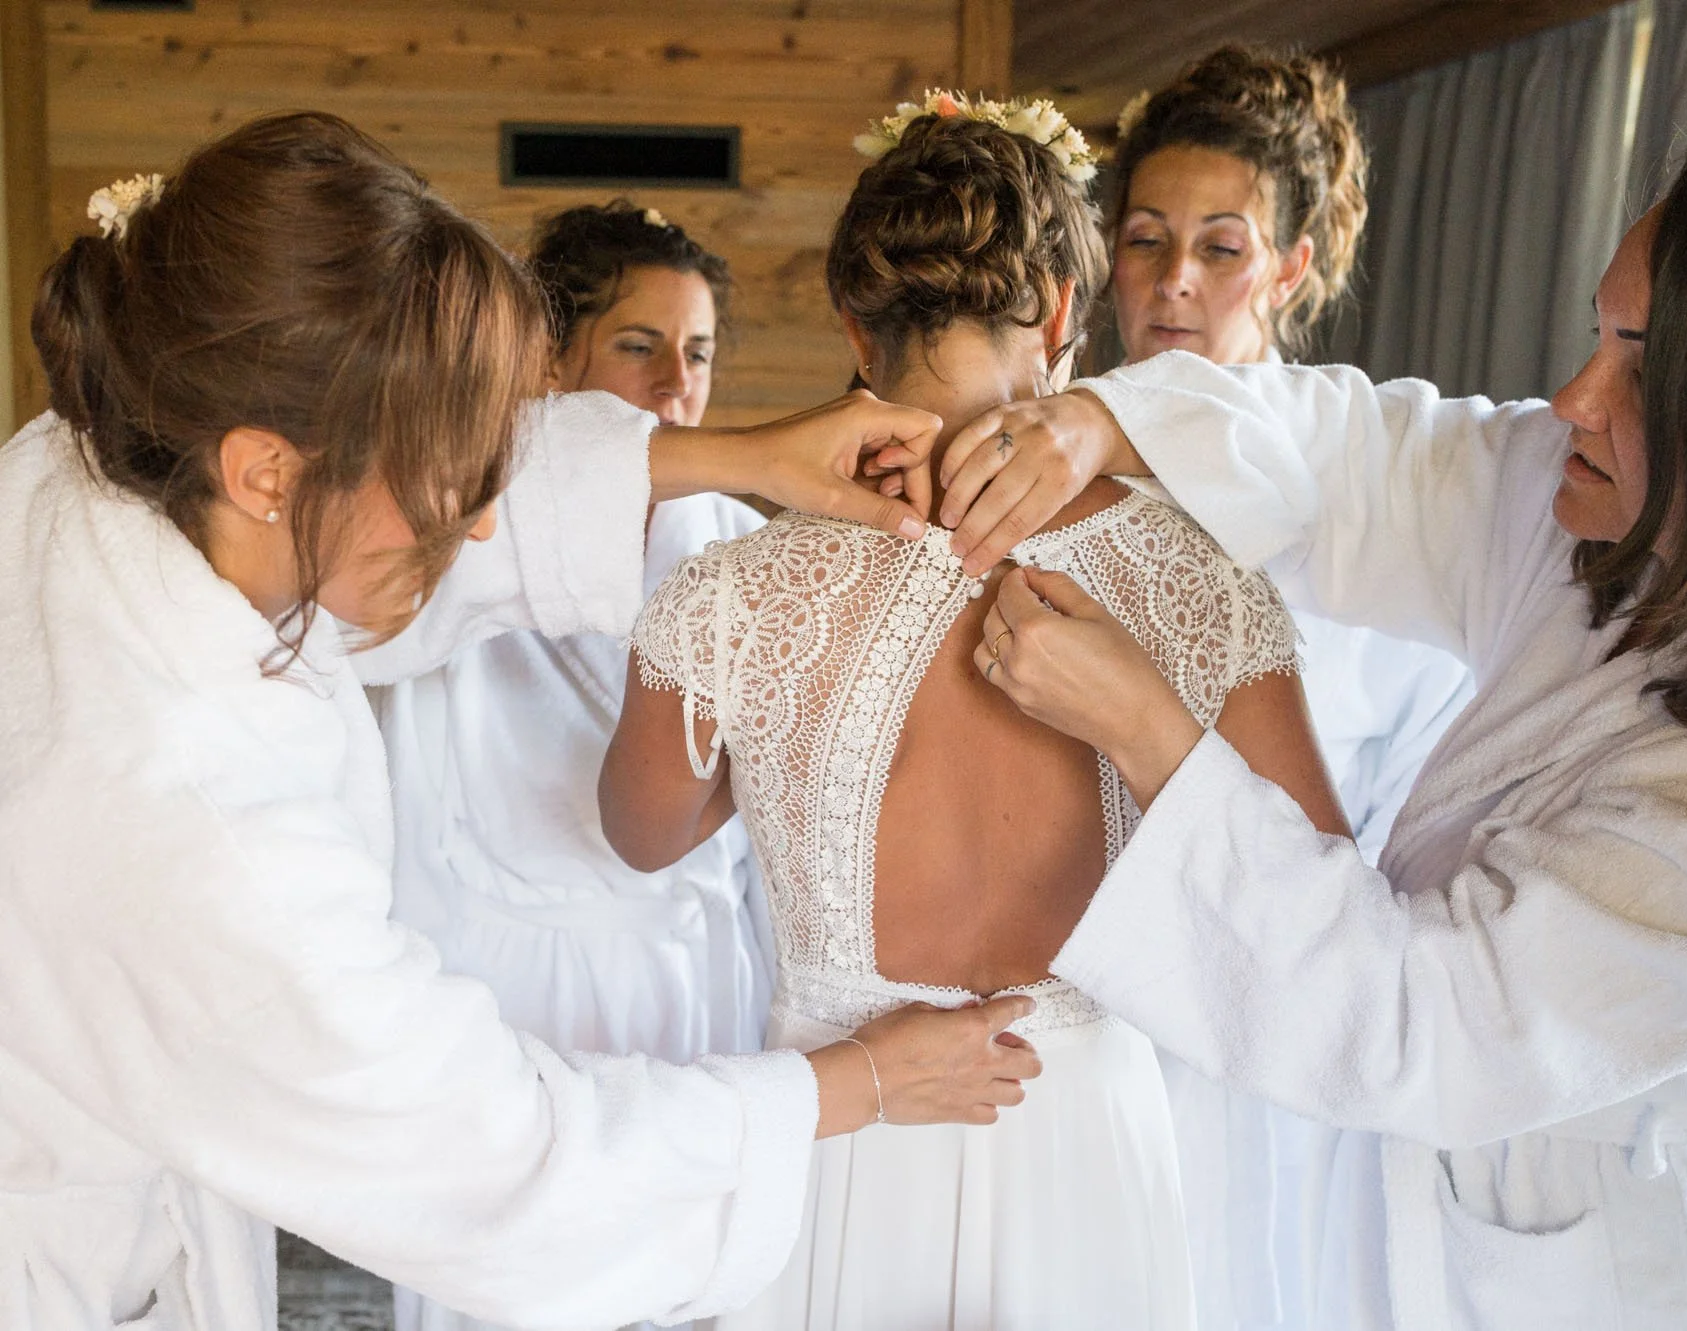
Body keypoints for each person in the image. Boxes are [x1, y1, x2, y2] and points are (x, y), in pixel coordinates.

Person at [0, 111, 1040, 1331]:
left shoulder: (104, 451)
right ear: (266, 471)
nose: (484, 522)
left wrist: (743, 458)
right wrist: (848, 1083)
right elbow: (492, 1163)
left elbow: (429, 482)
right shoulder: (185, 824)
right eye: (449, 476)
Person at [942, 133, 1687, 1327]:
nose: (1572, 399)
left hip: (1666, 1276)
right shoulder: (1610, 517)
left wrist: (1146, 727)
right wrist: (1101, 422)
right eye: (1597, 334)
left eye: (1641, 362)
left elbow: (1422, 1018)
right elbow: (1364, 458)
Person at [598, 93, 1343, 1330]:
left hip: (845, 1131)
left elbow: (642, 832)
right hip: (1083, 1138)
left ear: (854, 323)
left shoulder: (734, 592)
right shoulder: (1198, 574)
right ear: (1059, 311)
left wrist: (784, 722)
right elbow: (1312, 897)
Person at [1105, 48, 1473, 1331]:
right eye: (1144, 239)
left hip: (1284, 1041)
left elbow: (1410, 839)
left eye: (1219, 246)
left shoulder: (1364, 533)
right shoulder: (1049, 477)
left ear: (1289, 267)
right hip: (1082, 1014)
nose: (1173, 279)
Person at [376, 202, 772, 1331]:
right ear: (550, 359)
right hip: (514, 994)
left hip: (695, 983)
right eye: (639, 345)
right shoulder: (459, 526)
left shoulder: (738, 540)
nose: (676, 384)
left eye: (698, 353)